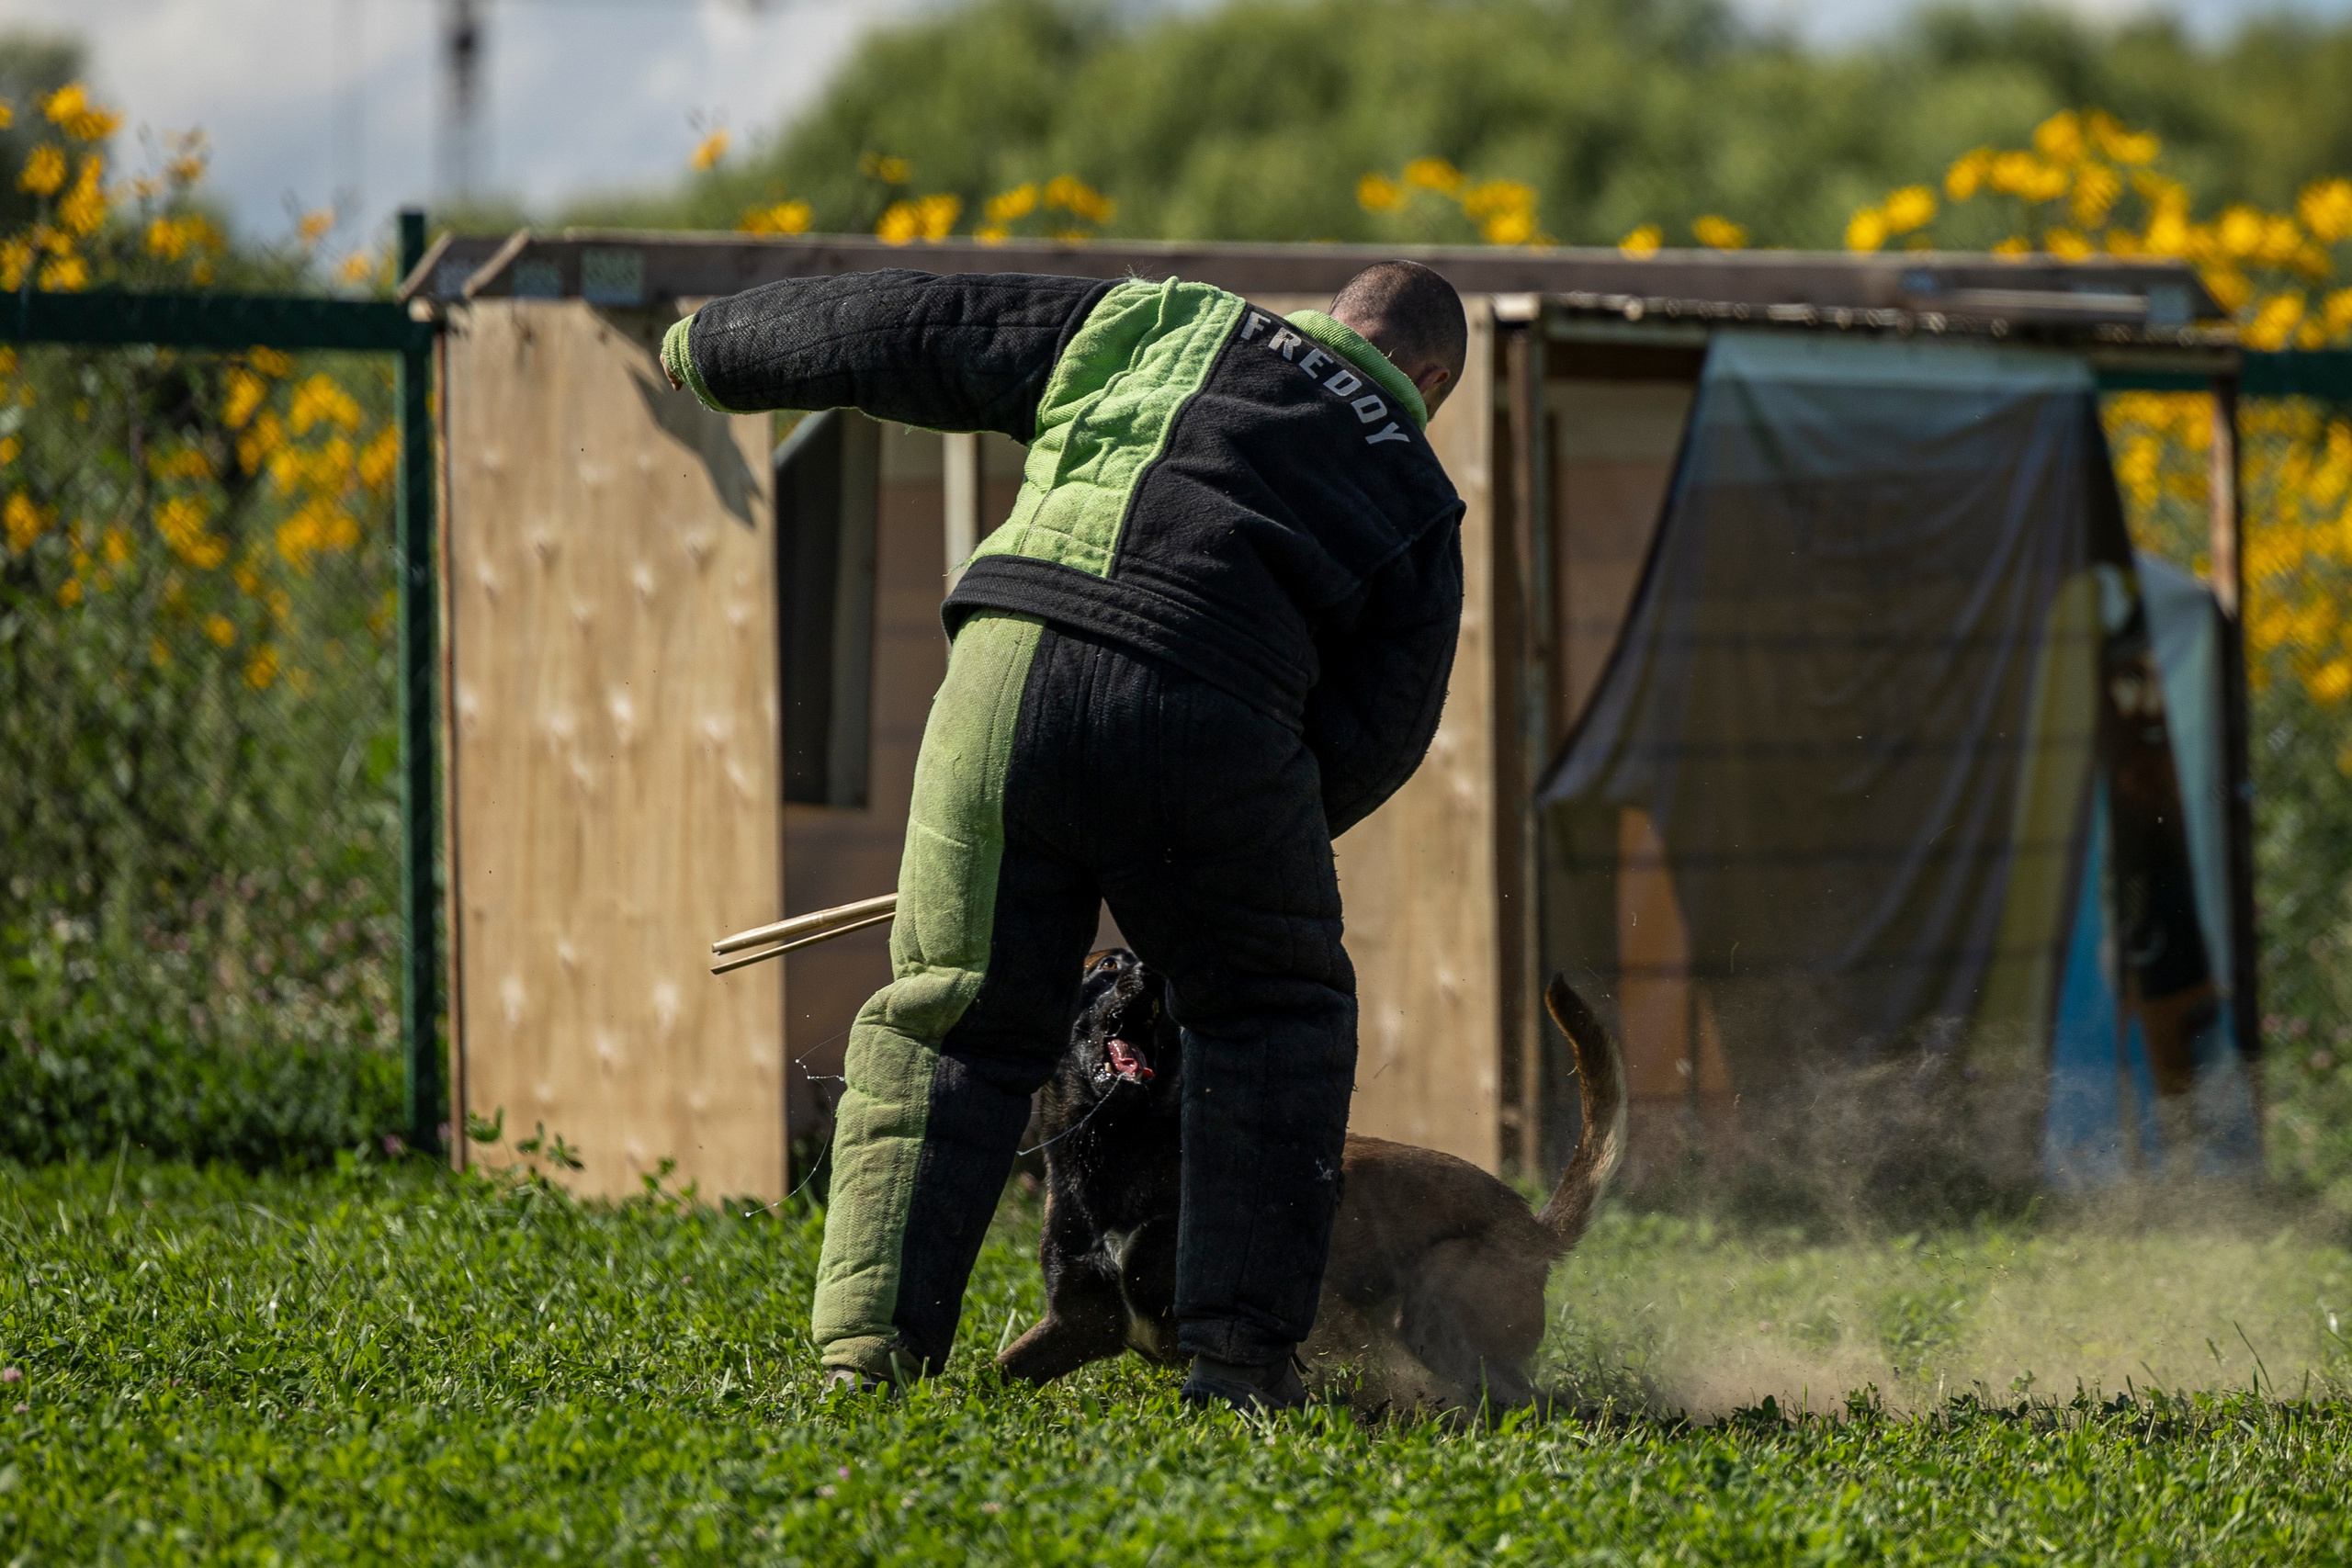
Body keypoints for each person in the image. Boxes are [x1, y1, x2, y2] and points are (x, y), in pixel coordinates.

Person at [662, 260, 1466, 1410]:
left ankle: (865, 1359)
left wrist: (715, 343)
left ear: (1330, 313)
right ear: (1426, 376)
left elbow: (921, 325)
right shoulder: (1414, 483)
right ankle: (1236, 1364)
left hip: (1006, 679)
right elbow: (1380, 729)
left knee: (948, 1017)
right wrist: (1256, 830)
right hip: (1217, 719)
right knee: (1269, 1019)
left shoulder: (1164, 320)